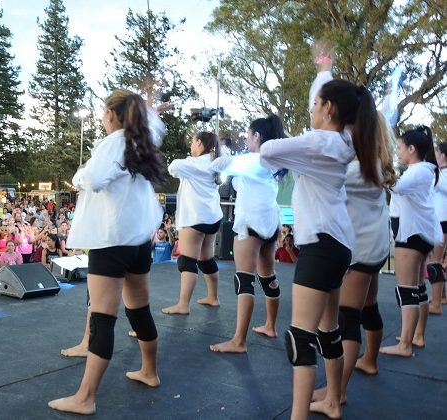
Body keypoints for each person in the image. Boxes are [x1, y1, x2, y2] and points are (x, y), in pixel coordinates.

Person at [259, 57, 379, 420]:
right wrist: (323, 71)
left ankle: (298, 416)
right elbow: (320, 115)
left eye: (314, 104)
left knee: (300, 336)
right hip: (337, 244)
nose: (309, 109)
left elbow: (266, 151)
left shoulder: (319, 144)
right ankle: (332, 400)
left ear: (327, 109)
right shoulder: (343, 139)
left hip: (323, 244)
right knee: (328, 330)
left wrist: (291, 157)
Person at [49, 89, 167, 415]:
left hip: (111, 240)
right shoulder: (142, 140)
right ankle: (150, 371)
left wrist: (78, 176)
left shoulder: (115, 142)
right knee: (139, 311)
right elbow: (155, 127)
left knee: (102, 318)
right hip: (138, 242)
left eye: (104, 113)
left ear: (111, 115)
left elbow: (97, 177)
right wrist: (151, 111)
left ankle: (85, 397)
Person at [312, 110, 397, 405]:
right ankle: (369, 360)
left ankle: (336, 394)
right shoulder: (376, 164)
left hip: (359, 250)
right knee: (368, 307)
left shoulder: (357, 169)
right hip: (374, 248)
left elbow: (322, 175)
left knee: (347, 320)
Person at [209, 115, 287, 353]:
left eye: (248, 134)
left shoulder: (255, 159)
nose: (245, 138)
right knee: (268, 277)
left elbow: (220, 165)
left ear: (257, 136)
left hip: (251, 222)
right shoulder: (273, 162)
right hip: (269, 224)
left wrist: (218, 150)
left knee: (244, 279)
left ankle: (239, 341)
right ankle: (270, 326)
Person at [381, 126, 441, 357]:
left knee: (407, 290)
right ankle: (416, 336)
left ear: (412, 149)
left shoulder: (418, 171)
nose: (398, 152)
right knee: (417, 288)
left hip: (412, 235)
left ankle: (405, 345)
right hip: (421, 234)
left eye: (399, 148)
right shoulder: (424, 170)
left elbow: (394, 185)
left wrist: (380, 164)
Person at [162, 131, 224, 314]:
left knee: (187, 260)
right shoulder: (217, 162)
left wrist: (191, 159)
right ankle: (213, 297)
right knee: (206, 259)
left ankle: (183, 305)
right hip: (212, 218)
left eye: (192, 142)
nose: (191, 146)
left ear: (199, 142)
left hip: (196, 218)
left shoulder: (195, 163)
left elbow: (172, 167)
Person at [427, 141, 447, 315]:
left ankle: (436, 303)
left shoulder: (442, 174)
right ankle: (439, 296)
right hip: (438, 220)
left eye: (436, 153)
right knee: (435, 261)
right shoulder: (439, 173)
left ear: (443, 155)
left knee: (435, 262)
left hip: (442, 221)